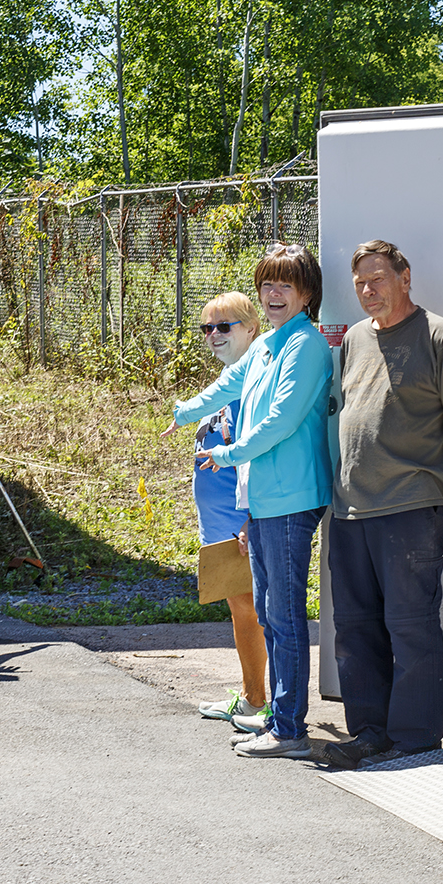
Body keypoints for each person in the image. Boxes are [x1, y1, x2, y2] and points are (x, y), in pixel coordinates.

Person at [168, 244, 333, 759]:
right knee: (267, 610)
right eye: (267, 285)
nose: (274, 294)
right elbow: (224, 387)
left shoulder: (305, 346)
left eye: (286, 285)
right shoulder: (266, 346)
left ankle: (289, 729)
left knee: (283, 616)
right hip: (262, 500)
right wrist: (182, 411)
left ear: (307, 294)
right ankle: (276, 720)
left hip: (291, 499)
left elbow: (282, 420)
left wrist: (230, 452)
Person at [324, 240, 443, 769]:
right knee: (354, 627)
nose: (369, 291)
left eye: (378, 279)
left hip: (409, 511)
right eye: (360, 284)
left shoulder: (439, 337)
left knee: (410, 625)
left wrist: (427, 481)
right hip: (349, 511)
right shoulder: (352, 340)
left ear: (405, 277)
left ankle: (415, 741)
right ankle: (369, 733)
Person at [172, 292, 270, 725]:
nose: (213, 335)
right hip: (220, 524)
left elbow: (258, 455)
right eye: (207, 328)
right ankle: (253, 696)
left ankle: (260, 703)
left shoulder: (250, 385)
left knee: (254, 611)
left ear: (252, 328)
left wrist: (251, 519)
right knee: (241, 609)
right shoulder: (228, 382)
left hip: (240, 524)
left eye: (224, 326)